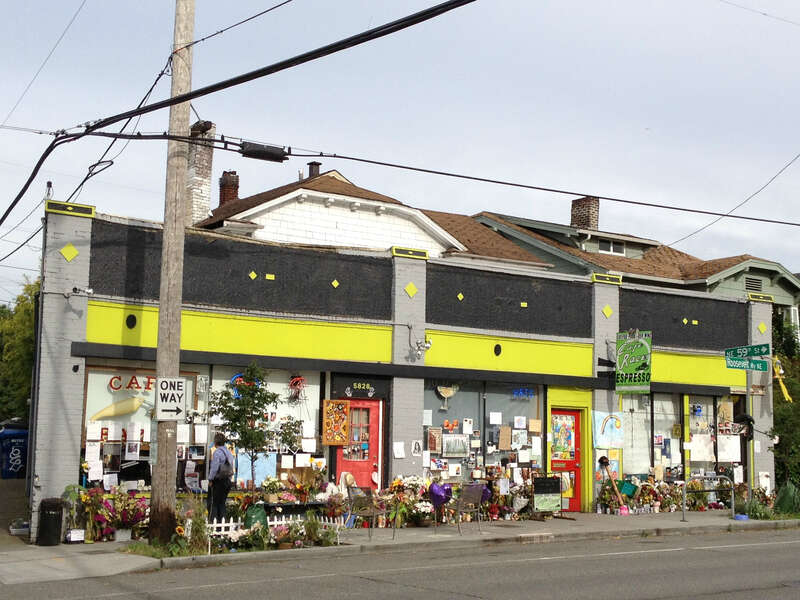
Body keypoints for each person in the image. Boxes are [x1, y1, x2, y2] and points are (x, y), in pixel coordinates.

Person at [208, 432, 234, 522]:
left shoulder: (217, 452)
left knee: (214, 504)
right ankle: (222, 524)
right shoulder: (229, 452)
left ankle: (214, 525)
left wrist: (210, 479)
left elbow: (214, 468)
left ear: (215, 442)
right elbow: (231, 466)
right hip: (227, 481)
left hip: (219, 481)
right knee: (222, 503)